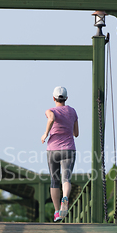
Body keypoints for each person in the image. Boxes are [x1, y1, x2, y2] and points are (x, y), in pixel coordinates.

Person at [41, 86, 79, 222]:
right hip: (69, 149)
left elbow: (51, 118)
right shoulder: (72, 111)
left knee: (54, 181)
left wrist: (46, 133)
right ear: (66, 98)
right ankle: (66, 198)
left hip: (53, 150)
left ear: (53, 98)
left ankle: (57, 212)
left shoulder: (50, 110)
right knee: (66, 179)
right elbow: (76, 133)